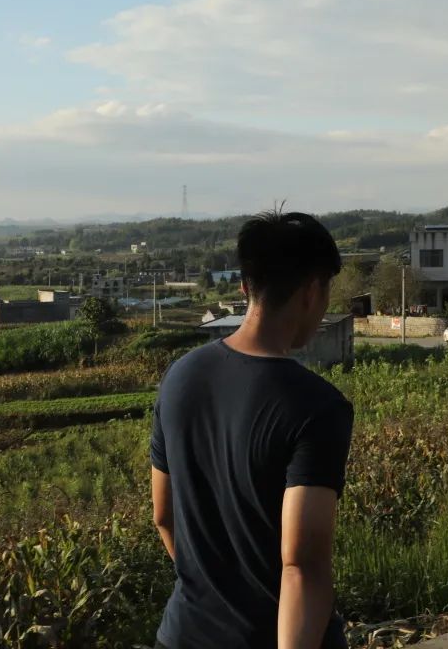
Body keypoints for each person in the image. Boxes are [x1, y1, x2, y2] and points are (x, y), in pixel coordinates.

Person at [150, 210, 355, 649]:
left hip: (183, 634)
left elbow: (163, 516)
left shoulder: (179, 377)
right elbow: (302, 567)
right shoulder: (316, 406)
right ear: (312, 291)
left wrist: (215, 590)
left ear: (245, 286)